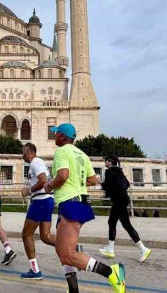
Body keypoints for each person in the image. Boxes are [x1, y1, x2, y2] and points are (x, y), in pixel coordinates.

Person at [44, 123, 125, 293]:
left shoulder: (61, 151)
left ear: (62, 136)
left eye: (56, 133)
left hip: (70, 203)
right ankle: (73, 290)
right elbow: (93, 180)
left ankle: (111, 272)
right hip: (79, 202)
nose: (54, 135)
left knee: (67, 254)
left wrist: (50, 185)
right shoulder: (82, 154)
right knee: (61, 249)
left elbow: (63, 175)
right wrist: (78, 183)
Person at [100, 155, 151, 263]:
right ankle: (143, 249)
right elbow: (126, 184)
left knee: (111, 222)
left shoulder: (109, 172)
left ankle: (110, 248)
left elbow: (108, 187)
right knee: (126, 225)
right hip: (124, 199)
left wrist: (100, 183)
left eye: (106, 160)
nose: (105, 162)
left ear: (110, 162)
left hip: (118, 200)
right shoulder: (119, 171)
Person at [19, 143, 57, 280]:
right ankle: (72, 248)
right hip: (47, 200)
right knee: (45, 237)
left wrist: (29, 190)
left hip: (41, 201)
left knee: (26, 235)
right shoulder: (38, 163)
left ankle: (35, 271)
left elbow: (43, 181)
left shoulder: (35, 162)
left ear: (28, 152)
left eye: (23, 152)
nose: (22, 155)